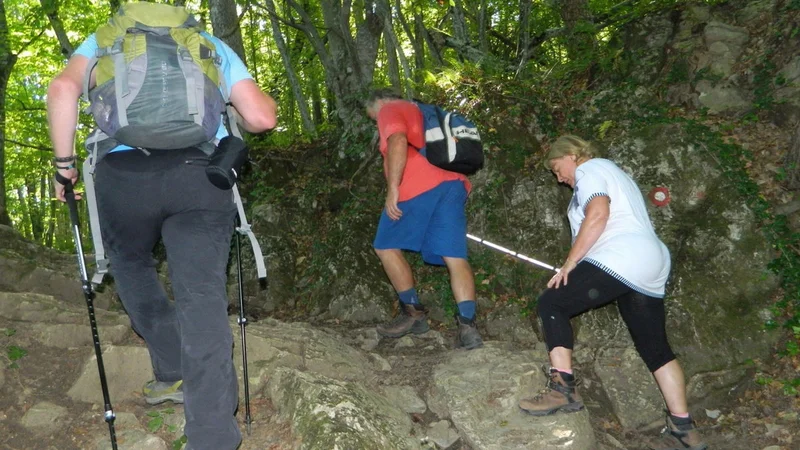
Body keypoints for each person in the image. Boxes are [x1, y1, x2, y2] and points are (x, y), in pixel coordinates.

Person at [46, 4, 277, 450]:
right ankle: (212, 438)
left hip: (123, 177)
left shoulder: (105, 39)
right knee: (202, 297)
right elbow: (263, 118)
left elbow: (60, 89)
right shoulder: (206, 44)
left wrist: (64, 166)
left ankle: (171, 372)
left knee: (130, 264)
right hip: (200, 176)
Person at [517, 135, 706, 450]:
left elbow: (599, 214)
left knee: (552, 302)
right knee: (655, 349)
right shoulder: (613, 174)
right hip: (649, 260)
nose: (559, 177)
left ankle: (562, 388)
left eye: (557, 168)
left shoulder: (591, 170)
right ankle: (683, 428)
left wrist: (569, 264)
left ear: (573, 155)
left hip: (623, 255)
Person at [365, 89, 483, 350]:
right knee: (455, 257)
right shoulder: (424, 111)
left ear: (380, 102)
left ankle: (414, 313)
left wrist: (393, 188)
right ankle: (468, 325)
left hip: (418, 185)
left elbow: (397, 139)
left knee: (384, 246)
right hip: (453, 185)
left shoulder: (390, 109)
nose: (377, 121)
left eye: (373, 117)